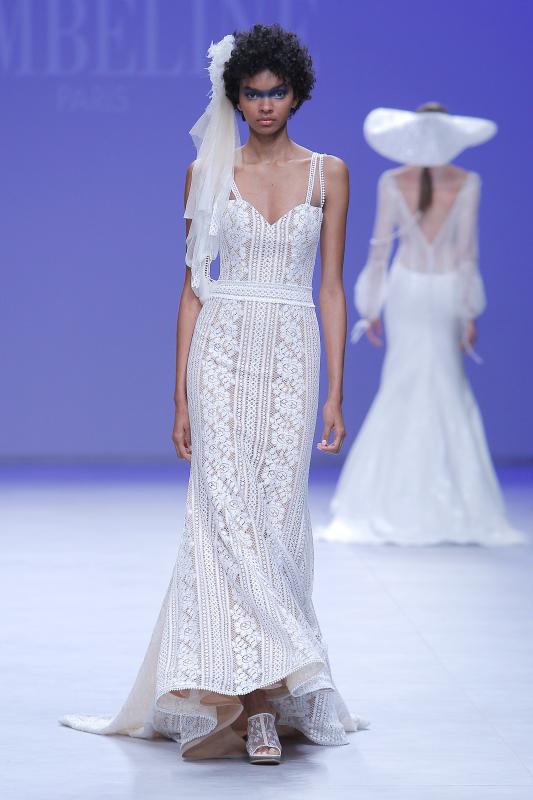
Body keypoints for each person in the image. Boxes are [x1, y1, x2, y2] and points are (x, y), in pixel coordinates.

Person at [60, 24, 368, 763]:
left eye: (277, 92)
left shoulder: (329, 174)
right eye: (252, 93)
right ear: (234, 97)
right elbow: (193, 289)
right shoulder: (204, 173)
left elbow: (331, 288)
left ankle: (274, 680)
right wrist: (179, 397)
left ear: (297, 93)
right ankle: (254, 706)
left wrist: (335, 392)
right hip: (221, 352)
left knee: (276, 519)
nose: (265, 105)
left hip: (290, 350)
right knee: (223, 518)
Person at [319, 103, 526, 547]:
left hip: (407, 290)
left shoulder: (392, 182)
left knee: (402, 384)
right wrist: (468, 311)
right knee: (447, 385)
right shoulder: (467, 182)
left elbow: (379, 250)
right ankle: (453, 503)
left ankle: (387, 499)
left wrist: (371, 307)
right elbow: (466, 252)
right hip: (445, 291)